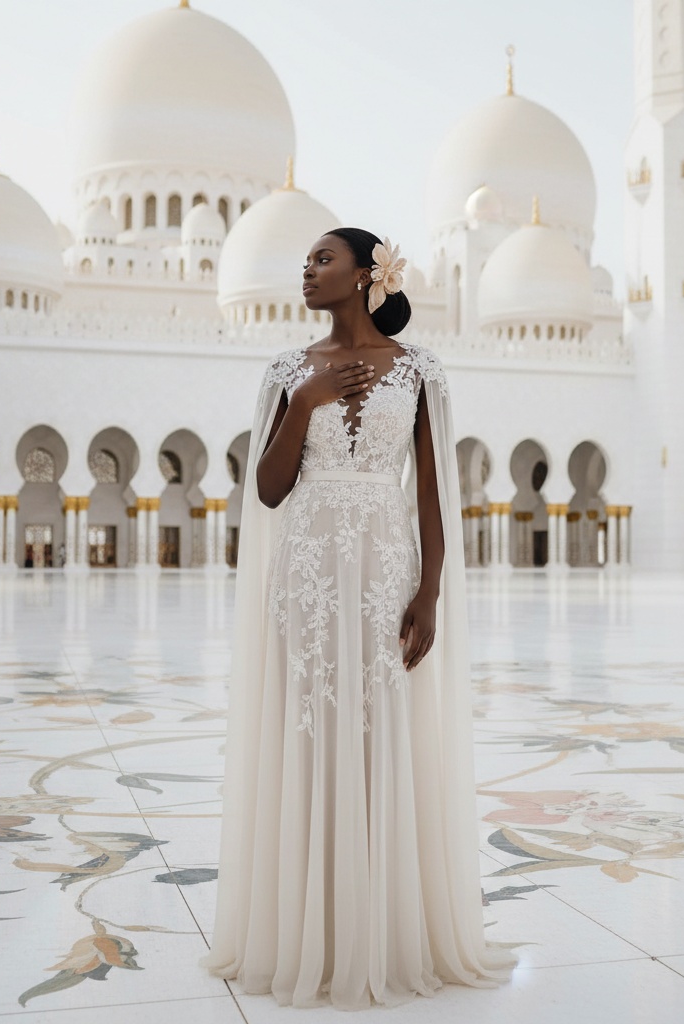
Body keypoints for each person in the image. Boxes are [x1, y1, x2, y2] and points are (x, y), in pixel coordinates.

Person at [202, 228, 514, 1008]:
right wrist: (304, 404)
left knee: (380, 734)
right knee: (309, 733)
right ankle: (311, 934)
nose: (305, 269)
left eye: (322, 259)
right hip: (304, 573)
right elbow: (268, 491)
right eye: (304, 259)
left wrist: (431, 589)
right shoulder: (287, 371)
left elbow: (433, 492)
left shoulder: (419, 372)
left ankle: (380, 930)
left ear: (368, 274)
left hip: (385, 573)